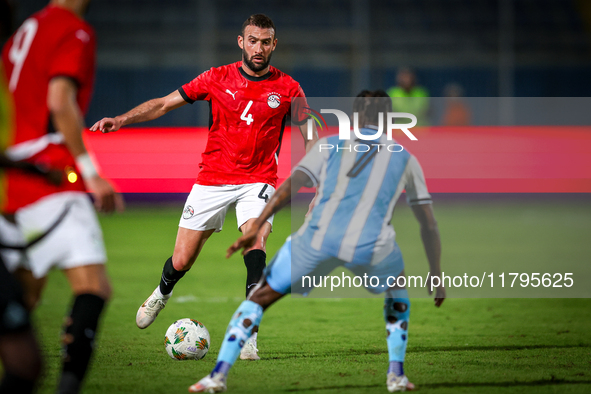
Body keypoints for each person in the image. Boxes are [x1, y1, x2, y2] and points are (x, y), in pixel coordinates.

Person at [90, 14, 317, 360]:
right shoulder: (216, 77)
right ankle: (162, 292)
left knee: (255, 241)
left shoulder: (288, 88)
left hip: (258, 180)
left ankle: (248, 334)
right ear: (241, 42)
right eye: (252, 40)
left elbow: (311, 131)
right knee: (181, 260)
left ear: (274, 45)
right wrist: (122, 119)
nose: (259, 47)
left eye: (265, 41)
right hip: (212, 179)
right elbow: (165, 104)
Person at [188, 90, 445, 393]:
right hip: (371, 245)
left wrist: (257, 223)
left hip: (316, 240)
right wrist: (436, 273)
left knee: (259, 298)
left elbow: (289, 187)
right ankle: (396, 375)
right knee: (397, 291)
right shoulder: (406, 158)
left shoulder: (329, 145)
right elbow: (428, 223)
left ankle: (217, 376)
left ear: (356, 116)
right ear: (388, 118)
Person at [1, 1, 124, 393]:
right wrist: (91, 173)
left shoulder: (21, 32)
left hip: (10, 182)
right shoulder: (74, 30)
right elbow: (59, 101)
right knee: (93, 287)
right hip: (49, 176)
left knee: (26, 297)